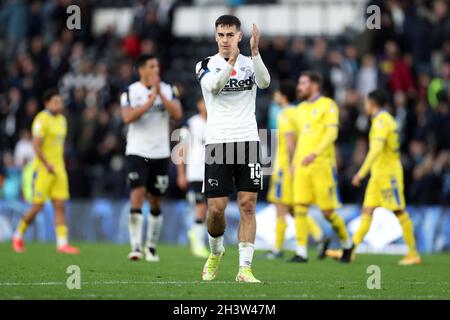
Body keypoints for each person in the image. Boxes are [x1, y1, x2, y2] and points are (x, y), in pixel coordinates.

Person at [195, 15, 270, 283]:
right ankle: (216, 252)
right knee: (216, 209)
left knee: (248, 205)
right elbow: (215, 87)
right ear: (216, 37)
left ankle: (245, 269)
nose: (225, 40)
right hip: (217, 143)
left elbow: (264, 83)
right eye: (221, 35)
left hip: (248, 141)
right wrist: (232, 61)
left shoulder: (251, 64)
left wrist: (255, 53)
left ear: (239, 36)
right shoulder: (205, 65)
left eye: (230, 35)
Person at [121, 54, 182, 262]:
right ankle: (136, 246)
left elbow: (177, 114)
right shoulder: (130, 91)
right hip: (137, 151)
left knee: (156, 200)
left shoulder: (168, 89)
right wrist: (149, 102)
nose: (156, 69)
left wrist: (159, 95)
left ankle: (151, 246)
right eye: (151, 66)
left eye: (157, 65)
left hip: (160, 153)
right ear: (141, 70)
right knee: (137, 193)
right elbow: (127, 117)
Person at [350, 90, 421, 265]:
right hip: (378, 175)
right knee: (366, 211)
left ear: (373, 103)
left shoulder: (382, 121)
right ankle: (350, 251)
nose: (365, 106)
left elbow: (376, 149)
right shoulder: (384, 119)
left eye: (367, 102)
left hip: (389, 175)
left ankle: (413, 253)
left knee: (399, 211)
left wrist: (360, 173)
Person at [287, 71, 353, 263]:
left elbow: (332, 134)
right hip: (302, 166)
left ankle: (347, 244)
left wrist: (315, 154)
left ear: (314, 85)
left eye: (303, 83)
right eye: (299, 83)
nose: (299, 87)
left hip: (322, 165)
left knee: (328, 212)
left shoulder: (328, 105)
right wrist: (294, 163)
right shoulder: (300, 110)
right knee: (299, 208)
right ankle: (301, 252)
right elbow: (301, 140)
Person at [12, 89, 79, 254]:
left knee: (60, 205)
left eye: (60, 101)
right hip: (44, 170)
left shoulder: (62, 120)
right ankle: (18, 235)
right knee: (37, 207)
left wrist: (60, 162)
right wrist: (47, 164)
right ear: (47, 103)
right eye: (56, 101)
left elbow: (60, 145)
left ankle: (62, 244)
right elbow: (36, 145)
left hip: (59, 169)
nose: (59, 104)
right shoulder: (41, 119)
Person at [266, 80, 324, 259]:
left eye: (277, 93)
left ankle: (277, 249)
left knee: (280, 207)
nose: (275, 96)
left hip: (284, 168)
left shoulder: (285, 114)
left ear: (283, 96)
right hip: (289, 167)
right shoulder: (297, 112)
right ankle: (320, 236)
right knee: (292, 208)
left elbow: (291, 143)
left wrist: (291, 165)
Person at [177, 97, 209, 258]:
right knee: (200, 207)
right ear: (198, 104)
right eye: (203, 101)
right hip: (196, 172)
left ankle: (194, 234)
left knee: (210, 209)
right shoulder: (191, 124)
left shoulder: (218, 123)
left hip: (213, 171)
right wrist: (181, 173)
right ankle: (199, 245)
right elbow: (181, 150)